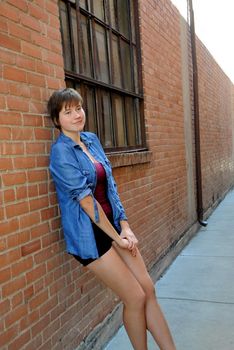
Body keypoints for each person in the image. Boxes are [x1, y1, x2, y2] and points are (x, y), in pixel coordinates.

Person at [48, 88, 176, 350]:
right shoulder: (61, 152)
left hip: (115, 226)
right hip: (91, 236)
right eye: (67, 111)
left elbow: (111, 188)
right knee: (135, 297)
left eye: (79, 108)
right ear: (56, 120)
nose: (76, 115)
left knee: (148, 290)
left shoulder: (91, 140)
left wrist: (126, 227)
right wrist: (116, 239)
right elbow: (86, 201)